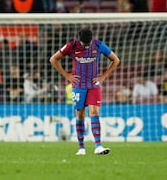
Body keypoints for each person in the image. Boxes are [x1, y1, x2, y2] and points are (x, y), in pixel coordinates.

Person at [50, 27, 120, 155]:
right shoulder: (72, 45)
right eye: (85, 44)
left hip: (93, 85)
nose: (87, 46)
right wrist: (67, 75)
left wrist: (103, 76)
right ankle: (81, 148)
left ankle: (98, 146)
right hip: (78, 86)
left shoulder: (98, 45)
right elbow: (53, 59)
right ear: (80, 40)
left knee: (94, 111)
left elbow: (115, 60)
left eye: (88, 44)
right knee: (80, 114)